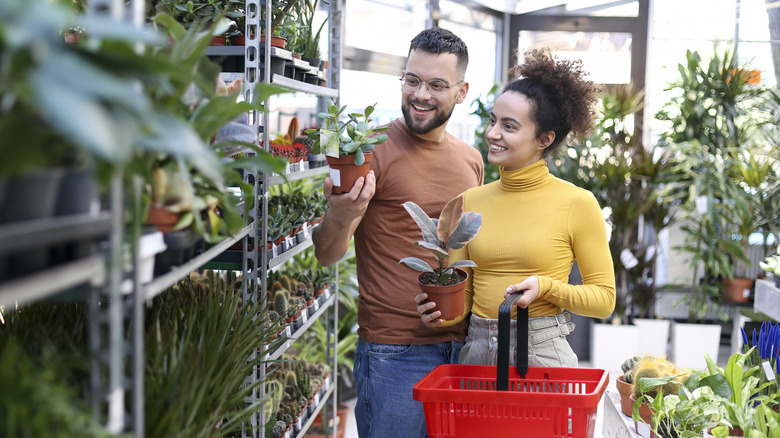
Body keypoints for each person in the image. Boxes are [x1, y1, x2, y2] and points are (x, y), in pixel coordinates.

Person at [311, 27, 484, 438]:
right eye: (412, 80)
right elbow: (326, 253)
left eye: (437, 84)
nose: (420, 94)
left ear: (461, 92)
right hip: (395, 354)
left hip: (464, 348)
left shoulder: (472, 160)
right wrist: (339, 214)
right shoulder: (370, 151)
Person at [415, 48, 616, 368]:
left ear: (544, 139)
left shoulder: (577, 204)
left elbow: (604, 300)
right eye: (493, 121)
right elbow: (465, 296)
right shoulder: (469, 202)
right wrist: (440, 314)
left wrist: (546, 288)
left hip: (541, 351)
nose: (492, 133)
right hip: (477, 352)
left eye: (509, 126)